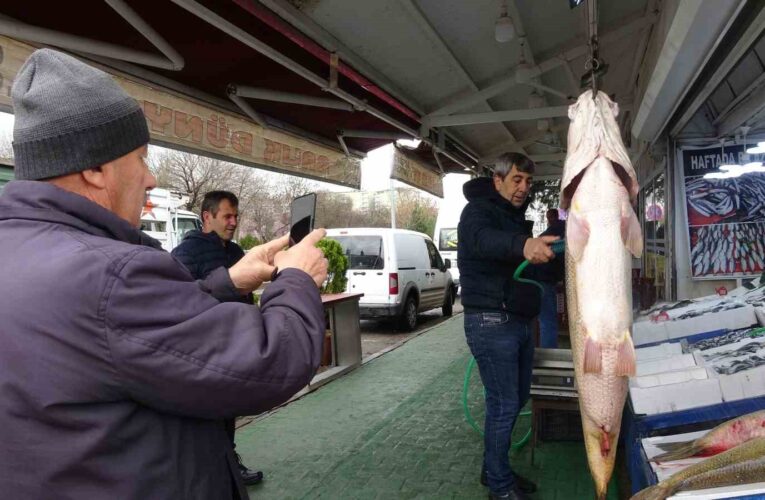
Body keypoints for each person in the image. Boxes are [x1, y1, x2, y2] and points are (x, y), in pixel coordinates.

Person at [0, 49, 328, 500]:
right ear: (95, 168)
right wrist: (298, 278)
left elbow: (126, 335)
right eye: (141, 157)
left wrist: (227, 281)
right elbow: (268, 362)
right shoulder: (111, 275)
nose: (151, 179)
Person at [458, 153, 558, 500]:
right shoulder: (478, 212)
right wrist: (524, 244)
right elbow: (485, 241)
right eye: (516, 179)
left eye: (528, 181)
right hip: (490, 321)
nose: (523, 188)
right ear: (497, 180)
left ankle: (494, 469)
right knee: (503, 404)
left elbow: (528, 268)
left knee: (515, 398)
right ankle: (500, 487)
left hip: (516, 322)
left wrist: (558, 255)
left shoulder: (513, 219)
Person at [171, 190, 263, 485]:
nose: (234, 221)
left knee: (228, 411)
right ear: (207, 217)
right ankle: (211, 471)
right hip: (205, 350)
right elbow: (177, 298)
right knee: (209, 416)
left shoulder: (235, 252)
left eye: (236, 216)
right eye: (227, 216)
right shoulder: (187, 253)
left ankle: (228, 463)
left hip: (234, 347)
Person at [538, 209, 566, 348]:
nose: (548, 220)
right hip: (542, 279)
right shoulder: (559, 230)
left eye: (549, 217)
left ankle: (548, 349)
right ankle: (548, 351)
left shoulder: (559, 229)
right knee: (547, 318)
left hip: (543, 278)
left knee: (547, 318)